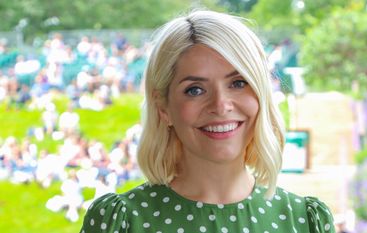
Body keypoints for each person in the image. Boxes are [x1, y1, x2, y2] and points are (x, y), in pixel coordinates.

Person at [80, 10, 335, 233]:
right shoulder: (121, 222)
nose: (221, 105)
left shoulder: (305, 221)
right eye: (195, 90)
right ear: (163, 107)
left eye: (238, 83)